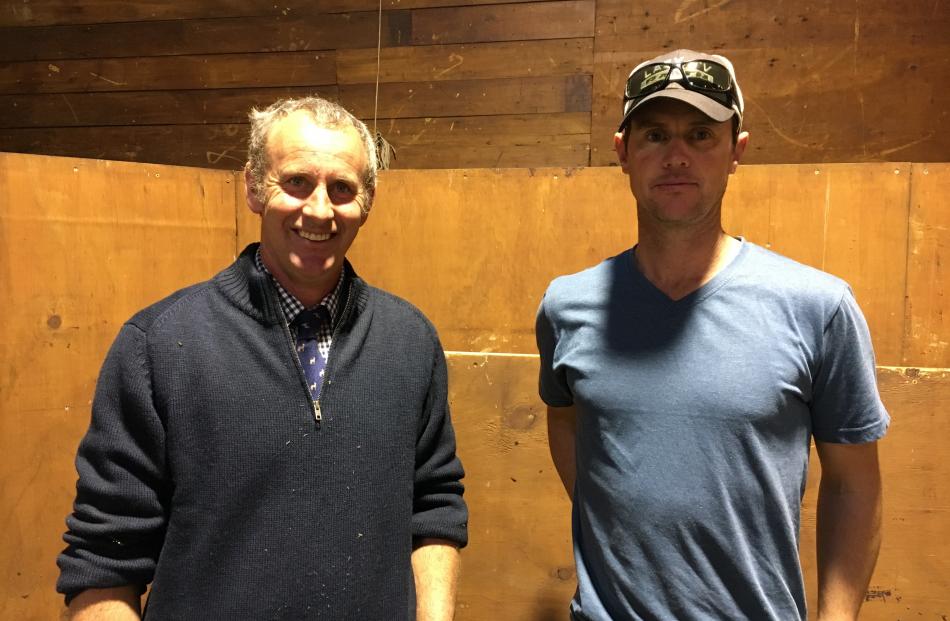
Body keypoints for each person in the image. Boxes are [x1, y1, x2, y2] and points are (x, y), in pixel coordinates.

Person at [57, 96, 468, 620]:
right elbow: (104, 560)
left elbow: (434, 506)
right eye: (297, 181)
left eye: (342, 189)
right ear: (253, 186)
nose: (320, 209)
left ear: (368, 201)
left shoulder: (410, 340)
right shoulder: (156, 345)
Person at [536, 49, 888, 620]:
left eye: (701, 134)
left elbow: (854, 486)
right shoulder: (568, 305)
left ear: (736, 152)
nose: (676, 156)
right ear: (623, 153)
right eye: (654, 134)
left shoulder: (817, 307)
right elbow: (567, 416)